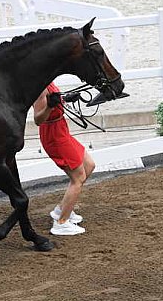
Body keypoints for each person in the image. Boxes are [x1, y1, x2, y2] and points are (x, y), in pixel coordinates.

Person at [32, 82, 95, 236]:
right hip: (53, 135)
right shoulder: (40, 89)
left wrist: (66, 99)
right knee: (78, 177)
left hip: (61, 129)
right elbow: (38, 120)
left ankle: (61, 210)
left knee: (89, 165)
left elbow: (55, 100)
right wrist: (49, 107)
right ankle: (61, 223)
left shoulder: (49, 80)